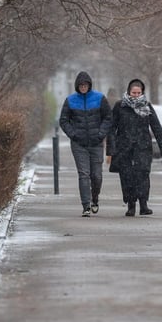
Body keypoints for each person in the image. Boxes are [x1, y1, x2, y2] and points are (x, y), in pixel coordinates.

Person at [107, 78, 162, 216]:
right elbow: (111, 128)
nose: (135, 95)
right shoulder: (120, 106)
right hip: (124, 147)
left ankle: (143, 204)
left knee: (143, 174)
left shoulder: (147, 106)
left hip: (143, 146)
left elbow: (156, 126)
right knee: (127, 176)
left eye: (138, 93)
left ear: (142, 93)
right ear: (129, 92)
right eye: (133, 93)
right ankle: (131, 205)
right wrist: (111, 148)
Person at [59, 71, 112, 217]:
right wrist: (74, 134)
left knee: (97, 175)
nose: (83, 87)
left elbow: (108, 117)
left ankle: (95, 198)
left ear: (89, 85)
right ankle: (86, 205)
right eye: (81, 85)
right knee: (83, 174)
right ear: (77, 86)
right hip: (79, 144)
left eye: (85, 84)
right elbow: (63, 120)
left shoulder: (99, 98)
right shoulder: (70, 100)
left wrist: (100, 134)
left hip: (96, 143)